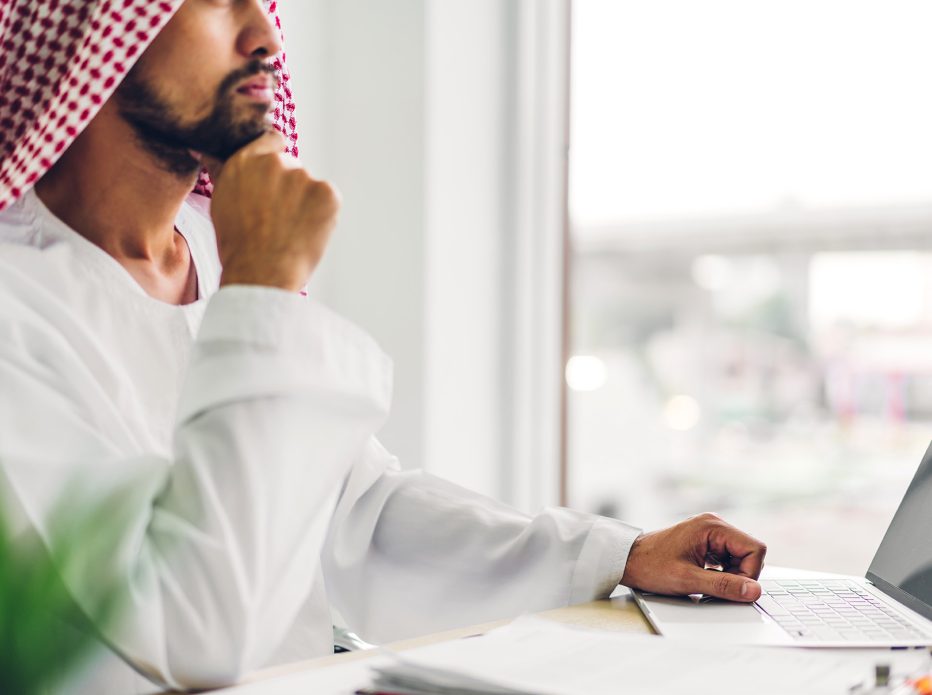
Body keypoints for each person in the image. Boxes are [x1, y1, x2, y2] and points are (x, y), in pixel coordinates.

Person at [0, 1, 767, 692]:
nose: (265, 36)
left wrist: (618, 554)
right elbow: (192, 631)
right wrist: (262, 284)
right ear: (86, 25)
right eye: (214, 2)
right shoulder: (15, 301)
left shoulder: (210, 243)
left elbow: (354, 512)